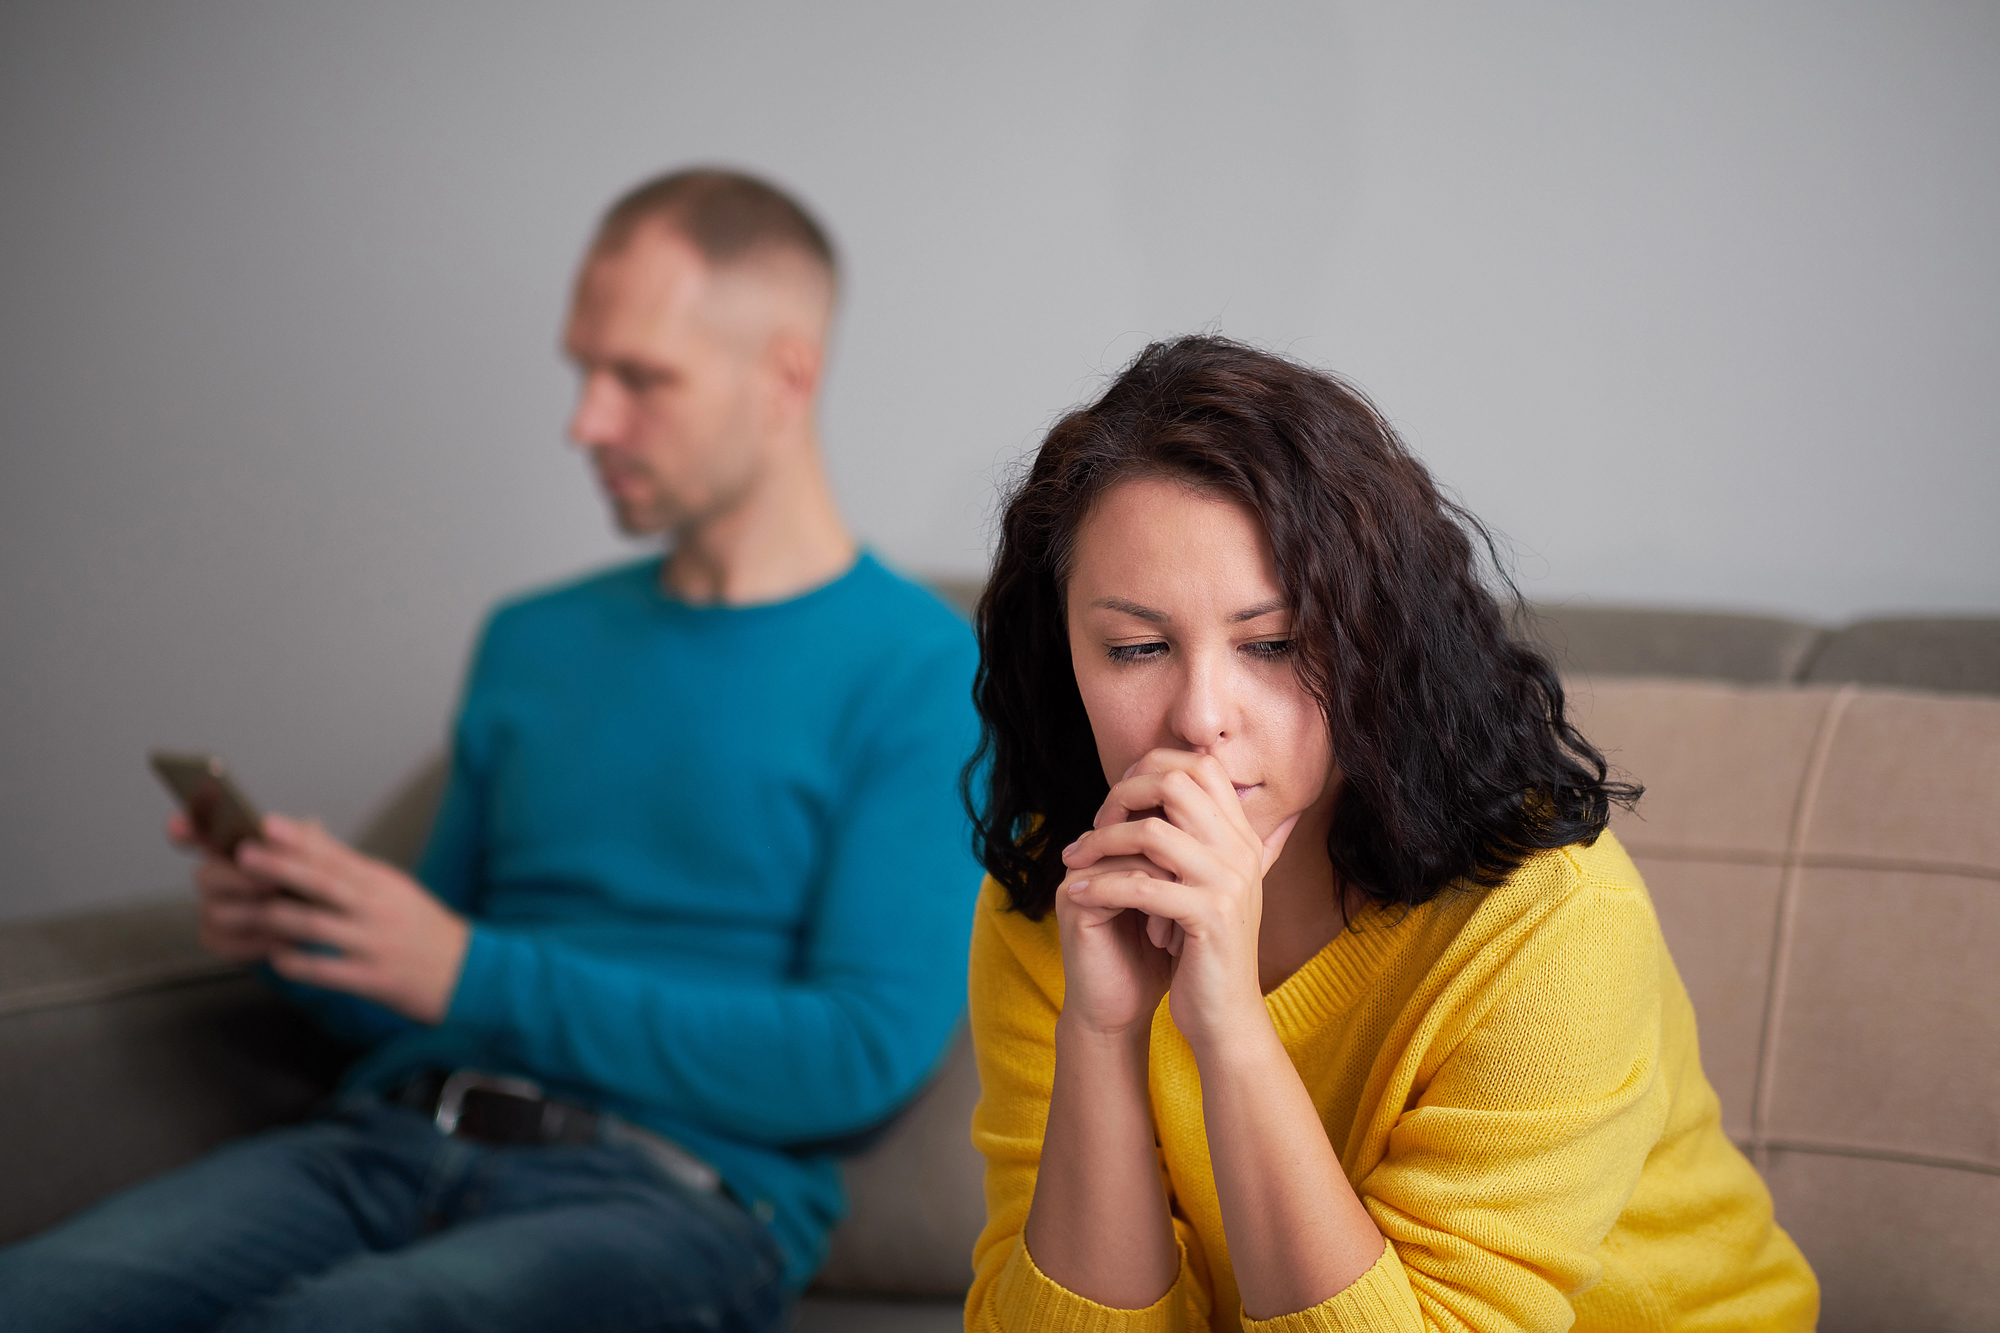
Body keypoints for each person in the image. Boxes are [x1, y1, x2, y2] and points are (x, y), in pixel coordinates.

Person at [0, 169, 982, 1333]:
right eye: (583, 370)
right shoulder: (533, 640)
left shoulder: (924, 669)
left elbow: (854, 1058)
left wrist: (470, 972)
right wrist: (307, 936)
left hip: (669, 1202)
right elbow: (415, 990)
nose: (586, 422)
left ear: (784, 378)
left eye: (640, 379)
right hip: (386, 1140)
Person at [960, 336, 1818, 1332]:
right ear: (1063, 652)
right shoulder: (1063, 897)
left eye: (1273, 644)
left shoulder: (1546, 920)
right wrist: (1103, 1036)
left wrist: (1229, 1031)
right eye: (1136, 647)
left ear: (1376, 640)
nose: (1200, 716)